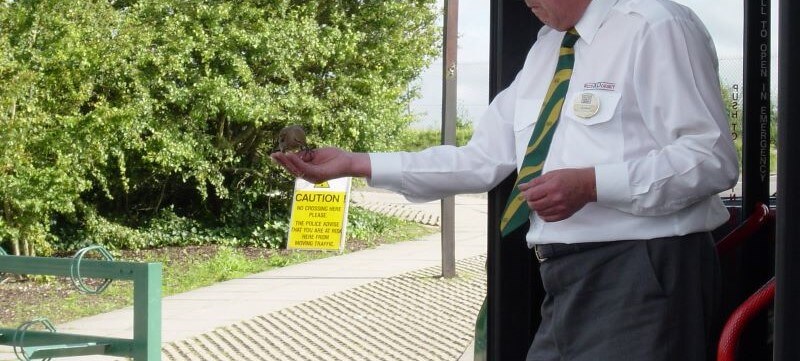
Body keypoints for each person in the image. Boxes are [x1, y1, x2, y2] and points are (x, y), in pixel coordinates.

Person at [272, 0, 739, 359]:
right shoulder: (546, 50)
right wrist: (356, 164)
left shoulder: (656, 26)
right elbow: (480, 160)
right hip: (563, 277)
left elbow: (711, 158)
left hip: (642, 272)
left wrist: (594, 184)